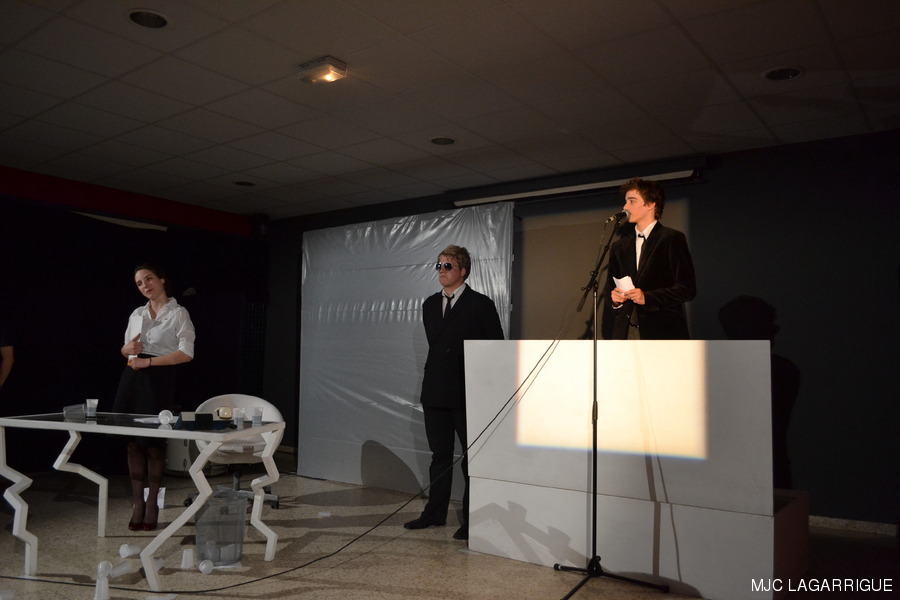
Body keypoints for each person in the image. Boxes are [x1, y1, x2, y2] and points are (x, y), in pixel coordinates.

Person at [404, 245, 504, 541]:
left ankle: (472, 520)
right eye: (439, 265)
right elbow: (437, 345)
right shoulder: (429, 304)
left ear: (463, 270)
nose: (441, 271)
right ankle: (434, 513)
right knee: (440, 455)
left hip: (467, 391)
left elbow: (495, 347)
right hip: (436, 390)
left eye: (447, 266)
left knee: (471, 458)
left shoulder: (480, 304)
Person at [113, 264, 195, 531]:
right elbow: (127, 351)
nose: (145, 285)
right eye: (139, 283)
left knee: (153, 444)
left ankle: (152, 504)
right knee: (133, 444)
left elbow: (186, 354)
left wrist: (149, 362)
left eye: (148, 279)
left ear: (161, 280)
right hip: (132, 378)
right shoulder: (137, 313)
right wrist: (125, 349)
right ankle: (138, 503)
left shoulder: (178, 313)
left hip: (158, 379)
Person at [718, 295, 800, 489]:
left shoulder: (716, 370)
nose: (776, 329)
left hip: (736, 474)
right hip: (768, 472)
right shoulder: (783, 370)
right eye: (768, 323)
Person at [605, 178, 697, 339]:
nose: (625, 207)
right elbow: (610, 288)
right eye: (626, 201)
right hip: (626, 332)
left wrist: (647, 297)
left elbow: (687, 289)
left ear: (650, 204)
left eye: (632, 201)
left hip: (662, 331)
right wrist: (615, 300)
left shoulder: (671, 238)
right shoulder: (619, 246)